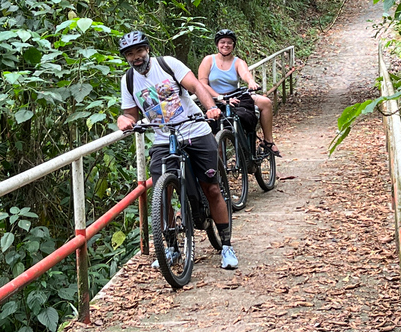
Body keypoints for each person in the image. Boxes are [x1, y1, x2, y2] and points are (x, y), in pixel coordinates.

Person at [115, 30, 238, 270]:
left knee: (212, 188)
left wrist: (210, 107)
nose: (136, 57)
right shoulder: (128, 80)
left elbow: (196, 86)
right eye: (130, 54)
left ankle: (226, 245)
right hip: (163, 138)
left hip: (194, 130)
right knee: (162, 194)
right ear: (126, 58)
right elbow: (130, 113)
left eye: (139, 51)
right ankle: (172, 247)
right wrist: (124, 120)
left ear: (147, 50)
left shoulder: (168, 64)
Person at [197, 29, 281, 157]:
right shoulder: (208, 60)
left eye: (229, 43)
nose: (226, 45)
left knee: (265, 102)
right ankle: (221, 171)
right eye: (222, 42)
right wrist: (220, 98)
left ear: (233, 45)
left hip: (234, 95)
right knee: (217, 137)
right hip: (214, 98)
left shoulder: (237, 62)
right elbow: (202, 84)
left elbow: (245, 73)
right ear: (217, 44)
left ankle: (268, 141)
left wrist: (251, 81)